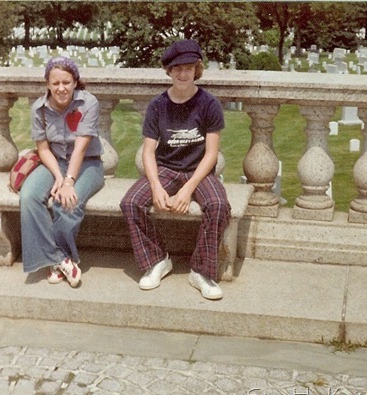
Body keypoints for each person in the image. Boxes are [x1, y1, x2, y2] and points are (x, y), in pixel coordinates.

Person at [120, 39, 231, 300]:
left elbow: (211, 154)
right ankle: (157, 260)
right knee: (131, 203)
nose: (183, 74)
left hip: (198, 171)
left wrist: (188, 189)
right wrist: (156, 186)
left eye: (189, 68)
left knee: (218, 206)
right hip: (166, 168)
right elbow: (148, 151)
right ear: (169, 71)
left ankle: (201, 272)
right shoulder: (157, 105)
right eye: (177, 68)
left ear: (197, 70)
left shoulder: (209, 104)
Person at [20, 57, 104, 287]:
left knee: (67, 203)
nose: (61, 88)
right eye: (55, 83)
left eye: (66, 82)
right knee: (29, 196)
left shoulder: (88, 103)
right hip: (54, 163)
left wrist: (68, 182)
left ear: (75, 82)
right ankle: (60, 259)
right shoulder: (39, 109)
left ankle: (60, 259)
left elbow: (80, 149)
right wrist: (58, 176)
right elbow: (43, 149)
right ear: (47, 84)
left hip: (87, 164)